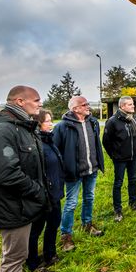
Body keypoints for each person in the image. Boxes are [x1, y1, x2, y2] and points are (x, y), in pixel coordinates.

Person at [0, 86, 54, 272]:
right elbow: (5, 174)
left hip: (21, 204)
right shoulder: (4, 129)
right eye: (36, 100)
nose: (39, 105)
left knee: (15, 256)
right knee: (13, 258)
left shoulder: (20, 126)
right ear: (20, 101)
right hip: (12, 206)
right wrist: (38, 191)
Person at [53, 96, 105, 252]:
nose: (88, 106)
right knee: (71, 203)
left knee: (89, 197)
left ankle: (87, 225)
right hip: (73, 173)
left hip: (91, 169)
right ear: (74, 108)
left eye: (88, 103)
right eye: (84, 104)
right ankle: (66, 236)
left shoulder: (93, 122)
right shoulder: (62, 126)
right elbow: (56, 151)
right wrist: (64, 169)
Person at [25, 109, 64, 272]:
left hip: (54, 193)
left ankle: (50, 254)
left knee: (54, 223)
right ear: (39, 124)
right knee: (36, 230)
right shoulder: (35, 144)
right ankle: (33, 263)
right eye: (48, 121)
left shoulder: (49, 140)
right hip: (41, 196)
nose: (51, 123)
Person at [102, 95, 136, 222]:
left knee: (133, 180)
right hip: (120, 158)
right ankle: (118, 210)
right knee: (118, 183)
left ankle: (133, 203)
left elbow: (135, 137)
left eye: (133, 104)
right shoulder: (112, 121)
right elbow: (106, 141)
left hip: (133, 156)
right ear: (122, 106)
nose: (133, 106)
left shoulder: (134, 118)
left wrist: (135, 152)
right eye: (130, 104)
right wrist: (114, 155)